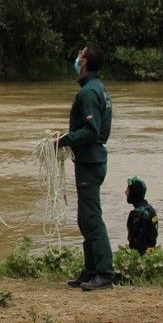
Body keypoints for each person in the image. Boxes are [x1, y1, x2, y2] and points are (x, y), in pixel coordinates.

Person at [56, 42, 113, 291]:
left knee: (91, 218)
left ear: (86, 62)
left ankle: (104, 274)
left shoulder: (89, 92)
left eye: (80, 55)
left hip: (90, 162)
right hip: (91, 160)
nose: (77, 59)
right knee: (84, 218)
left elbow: (92, 131)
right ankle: (90, 271)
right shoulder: (97, 88)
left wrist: (62, 141)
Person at [126, 175, 158, 255]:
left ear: (134, 193)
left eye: (128, 189)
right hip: (151, 254)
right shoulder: (151, 209)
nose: (125, 192)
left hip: (141, 259)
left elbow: (136, 245)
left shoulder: (137, 214)